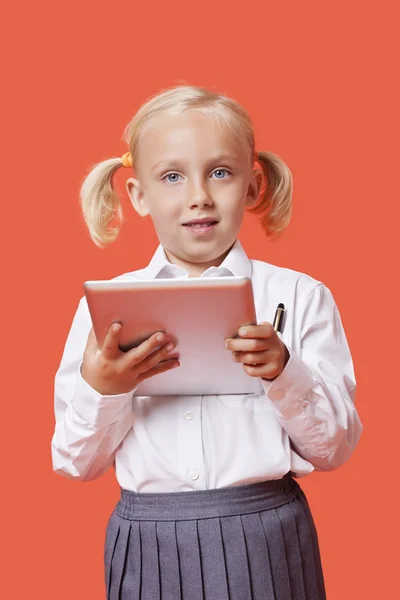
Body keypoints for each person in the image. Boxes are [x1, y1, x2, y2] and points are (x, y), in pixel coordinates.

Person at [51, 85, 363, 600]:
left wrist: (284, 372)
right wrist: (104, 387)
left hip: (267, 539)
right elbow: (74, 461)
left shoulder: (299, 296)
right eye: (172, 177)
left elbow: (334, 449)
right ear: (138, 196)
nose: (199, 194)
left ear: (253, 184)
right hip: (147, 544)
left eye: (220, 172)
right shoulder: (104, 312)